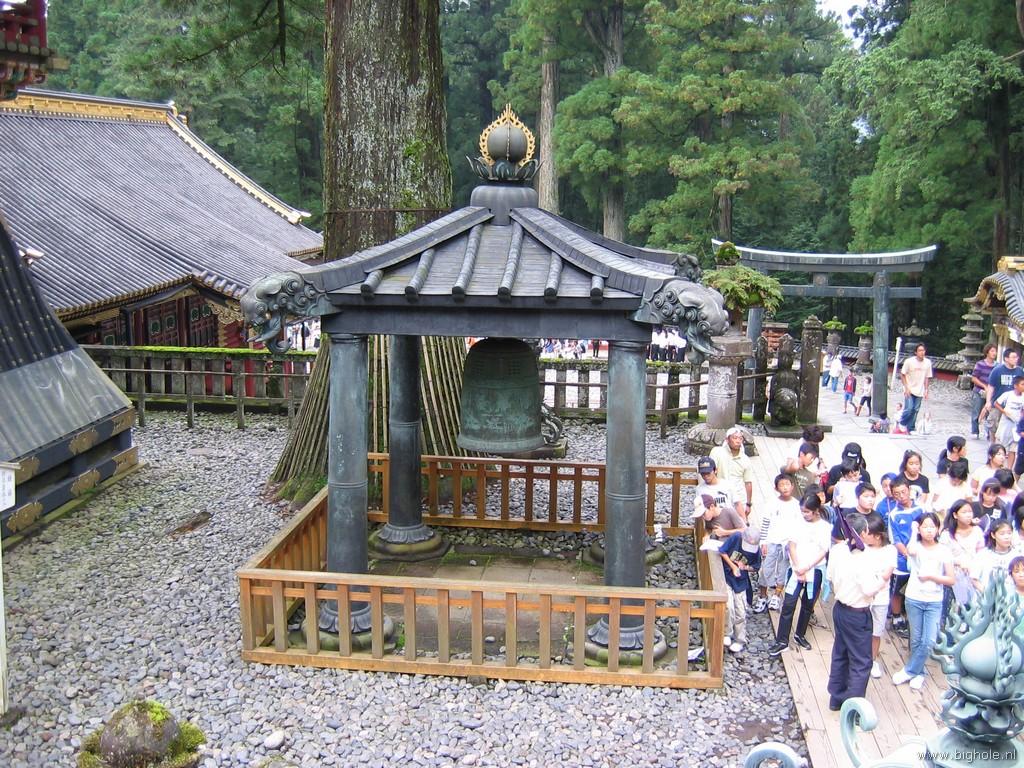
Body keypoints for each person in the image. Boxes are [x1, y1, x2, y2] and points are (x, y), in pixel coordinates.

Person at [825, 513, 883, 711]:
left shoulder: (837, 550)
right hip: (857, 613)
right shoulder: (864, 557)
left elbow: (830, 576)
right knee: (861, 661)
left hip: (840, 608)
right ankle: (853, 706)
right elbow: (868, 590)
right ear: (864, 532)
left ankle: (836, 698)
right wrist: (881, 582)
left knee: (840, 653)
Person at [892, 513, 955, 691]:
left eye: (932, 526)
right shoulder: (916, 546)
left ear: (938, 529)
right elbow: (911, 551)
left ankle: (909, 671)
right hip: (914, 597)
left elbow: (951, 579)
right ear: (919, 529)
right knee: (916, 639)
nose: (929, 530)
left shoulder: (944, 550)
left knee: (929, 640)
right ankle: (919, 673)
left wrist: (931, 577)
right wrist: (913, 531)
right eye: (924, 526)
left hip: (934, 600)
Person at [768, 494, 832, 657]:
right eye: (802, 511)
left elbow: (823, 551)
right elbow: (792, 546)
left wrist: (807, 567)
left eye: (807, 512)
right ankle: (782, 640)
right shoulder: (797, 523)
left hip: (815, 568)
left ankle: (800, 634)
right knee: (789, 603)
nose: (804, 514)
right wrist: (799, 568)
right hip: (796, 567)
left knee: (808, 603)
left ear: (816, 510)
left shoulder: (825, 527)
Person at [754, 474, 801, 613]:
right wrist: (763, 542)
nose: (785, 487)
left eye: (787, 484)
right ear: (776, 488)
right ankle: (763, 596)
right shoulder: (772, 503)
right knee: (766, 569)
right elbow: (765, 523)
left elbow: (798, 526)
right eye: (781, 485)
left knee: (783, 570)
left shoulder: (796, 505)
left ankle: (777, 595)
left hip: (787, 544)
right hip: (772, 541)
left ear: (792, 486)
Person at [860, 511, 897, 679]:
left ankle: (872, 660)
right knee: (860, 630)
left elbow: (886, 574)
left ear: (877, 535)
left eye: (867, 533)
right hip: (862, 596)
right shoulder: (861, 549)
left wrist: (874, 577)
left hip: (881, 597)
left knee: (876, 631)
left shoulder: (890, 550)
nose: (863, 535)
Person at [887, 476, 923, 638]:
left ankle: (912, 618)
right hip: (902, 561)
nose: (901, 496)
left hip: (921, 558)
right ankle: (896, 617)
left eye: (903, 492)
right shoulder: (894, 515)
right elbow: (895, 539)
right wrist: (906, 553)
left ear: (909, 490)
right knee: (897, 590)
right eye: (897, 494)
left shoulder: (921, 508)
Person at [938, 499, 984, 627]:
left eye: (970, 512)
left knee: (969, 607)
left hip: (972, 574)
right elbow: (942, 555)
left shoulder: (977, 531)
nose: (968, 515)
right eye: (964, 512)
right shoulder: (947, 534)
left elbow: (981, 552)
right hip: (952, 574)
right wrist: (959, 562)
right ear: (955, 515)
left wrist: (974, 565)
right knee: (950, 607)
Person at [719, 526, 762, 654]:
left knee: (741, 611)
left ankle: (740, 640)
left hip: (741, 581)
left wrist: (745, 567)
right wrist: (733, 566)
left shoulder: (756, 550)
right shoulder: (736, 537)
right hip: (727, 576)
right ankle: (727, 633)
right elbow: (722, 551)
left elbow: (756, 567)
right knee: (729, 606)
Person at [709, 427, 754, 520]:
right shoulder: (717, 452)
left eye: (740, 438)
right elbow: (711, 473)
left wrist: (748, 504)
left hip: (739, 498)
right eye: (735, 438)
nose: (738, 441)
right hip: (720, 497)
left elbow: (748, 482)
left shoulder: (746, 460)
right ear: (727, 439)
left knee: (740, 524)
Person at [985, 348, 1024, 442]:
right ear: (1006, 358)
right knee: (993, 425)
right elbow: (991, 386)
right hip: (998, 402)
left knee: (1013, 425)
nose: (1016, 359)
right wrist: (988, 401)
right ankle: (993, 445)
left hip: (1013, 403)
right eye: (1013, 357)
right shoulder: (997, 370)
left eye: (1017, 357)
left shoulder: (1020, 371)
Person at [971, 519, 1019, 592]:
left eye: (1009, 533)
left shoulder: (1017, 555)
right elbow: (974, 577)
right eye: (1002, 534)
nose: (1007, 537)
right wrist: (986, 593)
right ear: (993, 535)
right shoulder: (983, 554)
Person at [898, 343, 933, 434]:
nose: (922, 352)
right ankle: (902, 422)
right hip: (909, 388)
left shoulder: (927, 362)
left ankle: (911, 428)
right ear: (916, 352)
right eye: (920, 350)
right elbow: (902, 374)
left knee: (915, 410)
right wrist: (906, 388)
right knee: (909, 408)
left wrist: (926, 390)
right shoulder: (909, 361)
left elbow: (927, 377)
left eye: (923, 350)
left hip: (920, 389)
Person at [994, 376, 1024, 468]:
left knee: (1013, 449)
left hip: (1016, 424)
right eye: (1022, 384)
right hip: (1005, 423)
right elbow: (996, 403)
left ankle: (1009, 469)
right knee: (1000, 446)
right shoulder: (1008, 395)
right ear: (1015, 385)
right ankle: (998, 467)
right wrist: (1004, 412)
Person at [971, 344, 998, 440]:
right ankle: (975, 431)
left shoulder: (997, 366)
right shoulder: (980, 364)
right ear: (987, 352)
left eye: (995, 351)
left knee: (990, 414)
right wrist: (984, 386)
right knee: (976, 411)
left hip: (992, 393)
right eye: (992, 351)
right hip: (979, 391)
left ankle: (989, 433)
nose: (994, 353)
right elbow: (974, 378)